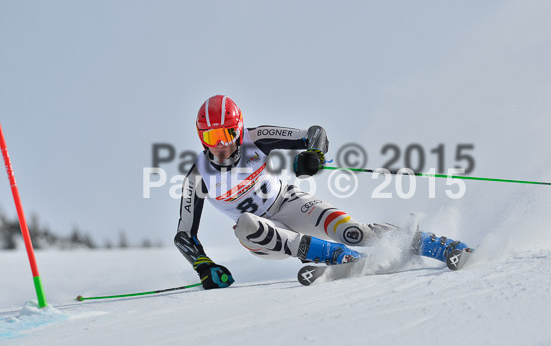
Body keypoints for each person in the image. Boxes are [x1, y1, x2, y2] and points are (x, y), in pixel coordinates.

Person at [175, 95, 471, 289]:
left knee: (354, 231)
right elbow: (184, 235)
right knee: (246, 225)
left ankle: (436, 245)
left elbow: (314, 134)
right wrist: (205, 267)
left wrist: (313, 155)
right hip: (264, 237)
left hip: (288, 202)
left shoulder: (257, 137)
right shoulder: (198, 175)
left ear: (238, 129)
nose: (220, 144)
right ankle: (338, 257)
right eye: (211, 136)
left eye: (226, 134)